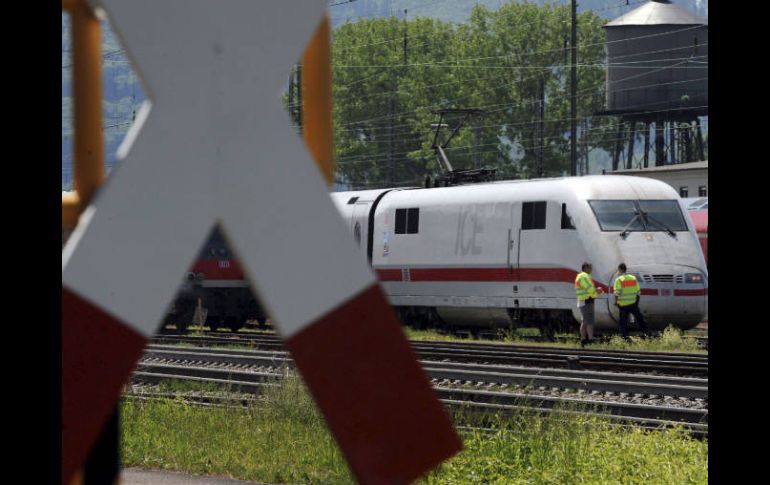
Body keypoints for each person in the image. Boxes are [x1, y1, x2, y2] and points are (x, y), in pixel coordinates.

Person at [613, 263, 650, 338]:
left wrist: (616, 302)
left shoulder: (619, 280)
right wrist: (636, 302)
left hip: (623, 304)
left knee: (623, 321)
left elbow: (617, 293)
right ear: (625, 269)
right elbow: (638, 291)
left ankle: (624, 336)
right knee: (639, 318)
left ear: (620, 269)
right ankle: (646, 333)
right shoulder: (633, 278)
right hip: (633, 303)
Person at [575, 262, 604, 347]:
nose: (591, 270)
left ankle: (583, 340)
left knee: (584, 321)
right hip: (586, 301)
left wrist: (596, 293)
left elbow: (589, 290)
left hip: (583, 300)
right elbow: (588, 288)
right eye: (590, 268)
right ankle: (591, 339)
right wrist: (597, 290)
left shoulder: (580, 276)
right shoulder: (584, 276)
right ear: (586, 268)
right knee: (589, 321)